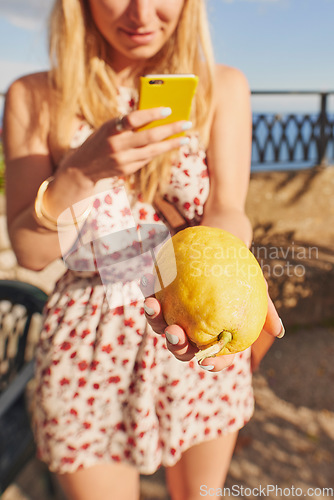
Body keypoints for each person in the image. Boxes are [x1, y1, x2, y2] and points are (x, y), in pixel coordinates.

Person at [3, 1, 284, 499]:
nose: (141, 12)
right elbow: (29, 250)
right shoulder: (36, 95)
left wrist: (233, 282)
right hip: (89, 342)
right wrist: (79, 172)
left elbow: (227, 209)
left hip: (193, 322)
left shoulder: (222, 87)